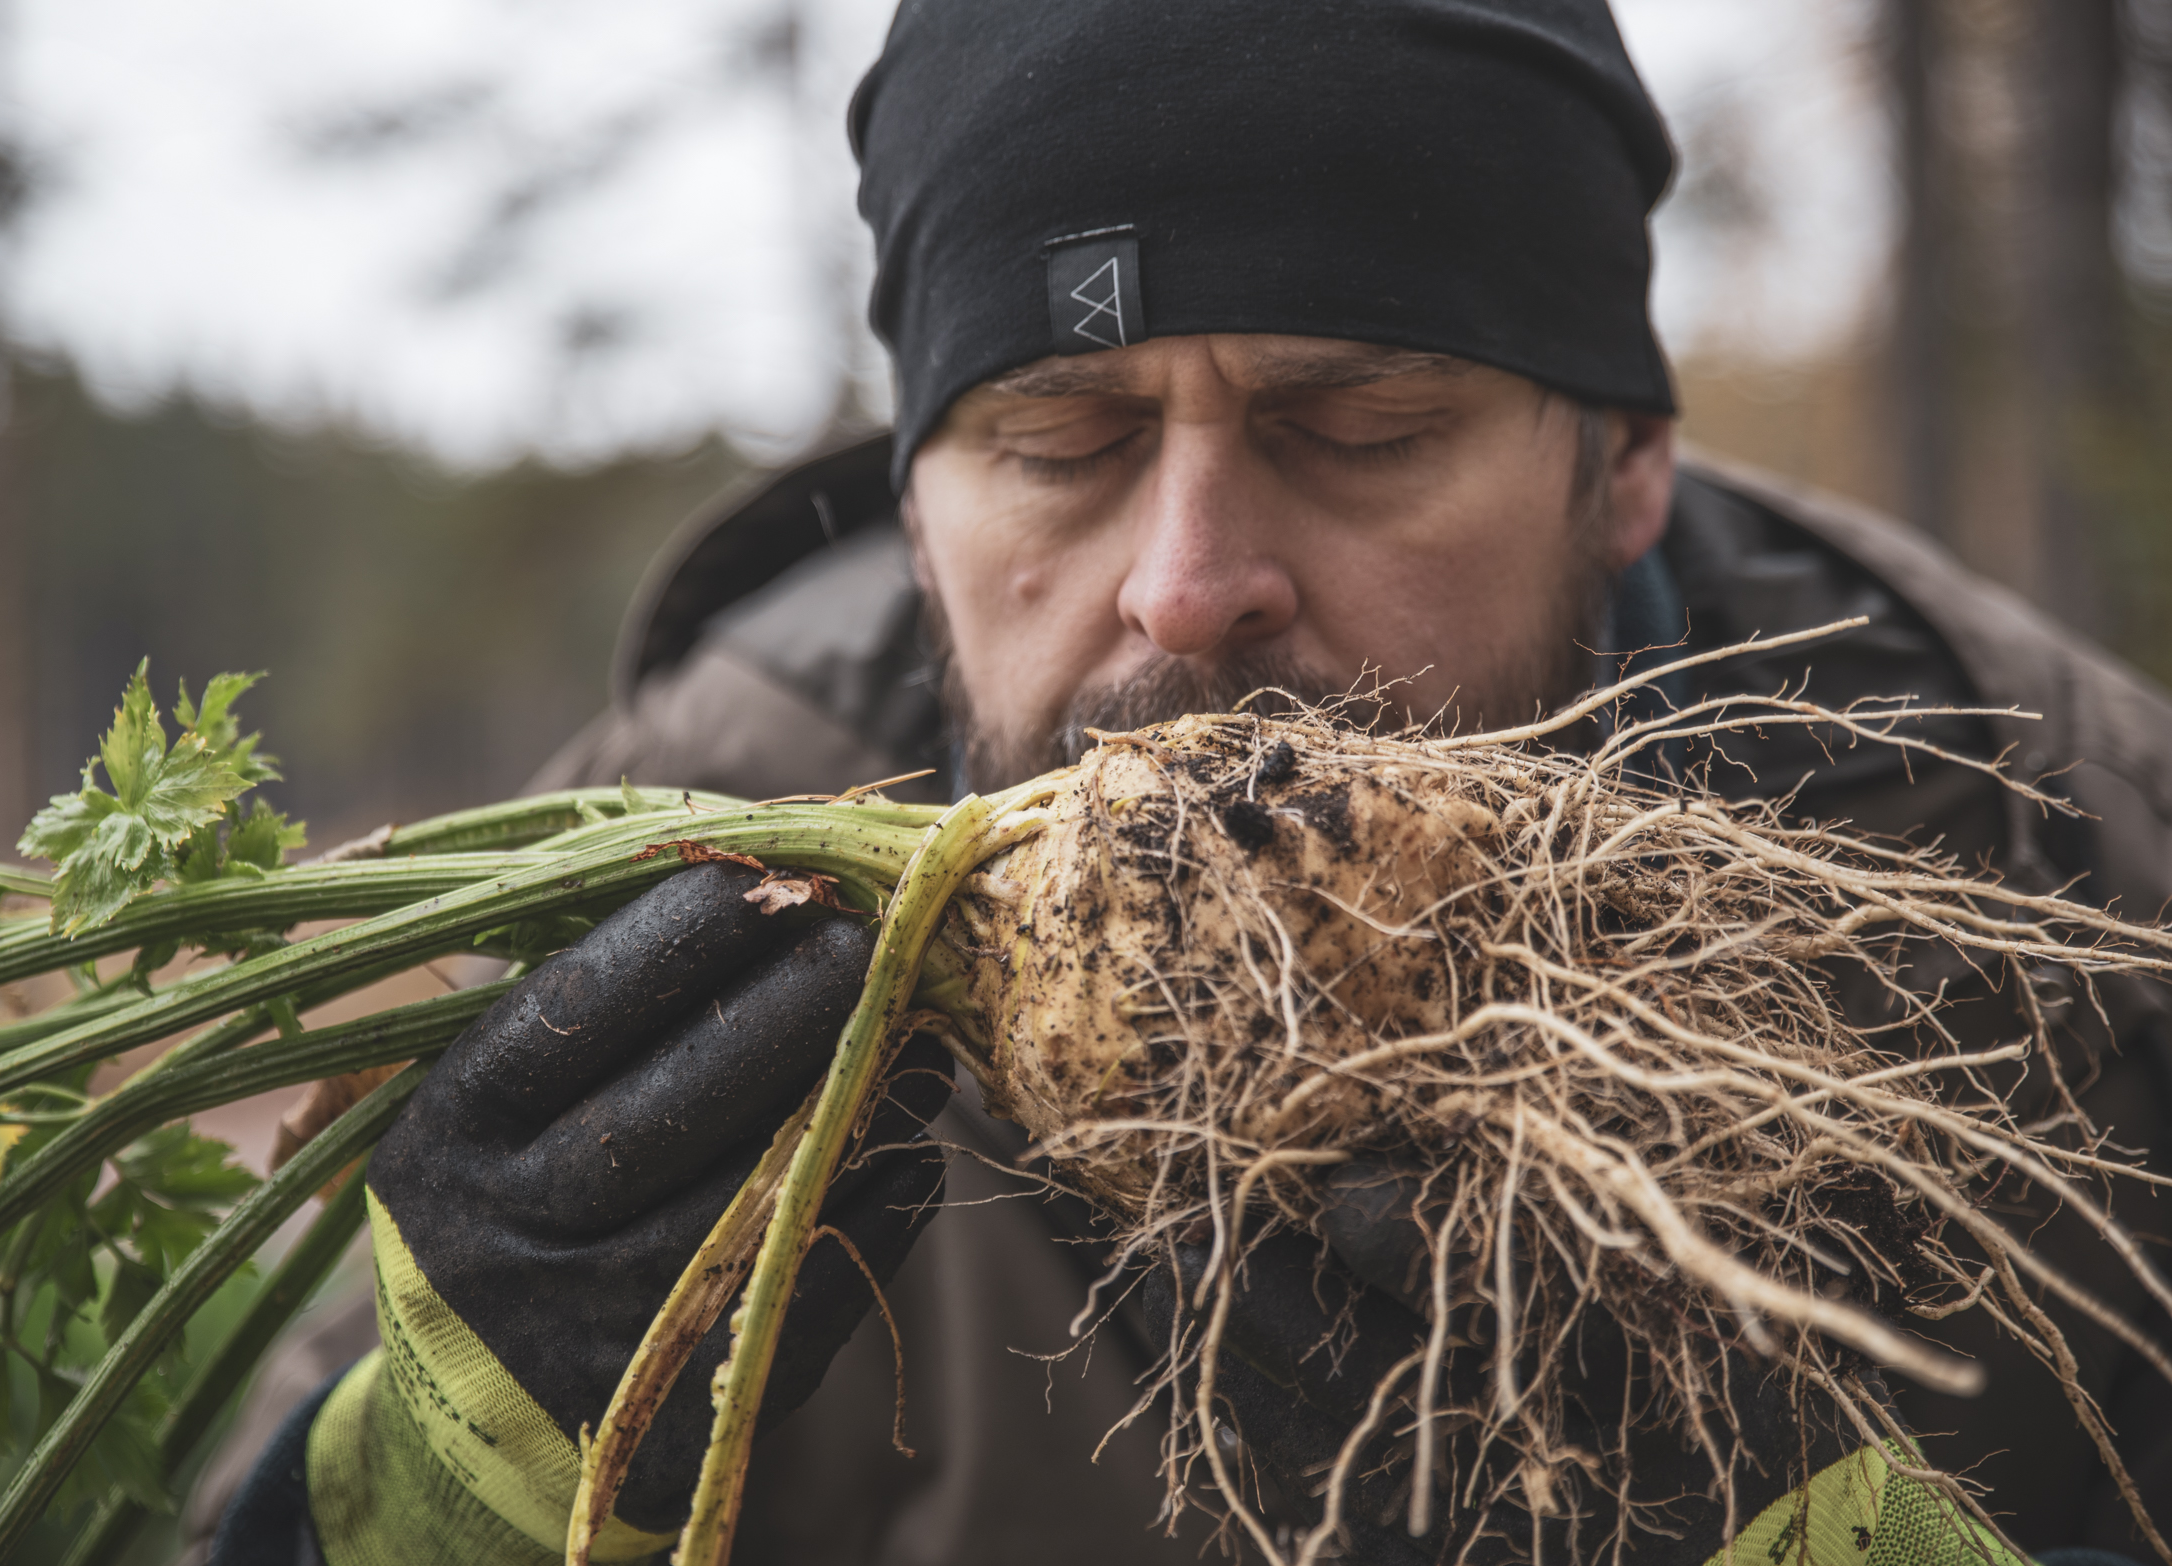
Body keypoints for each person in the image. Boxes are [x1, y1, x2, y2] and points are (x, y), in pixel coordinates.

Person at [209, 2, 2172, 1562]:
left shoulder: (2064, 858)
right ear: (914, 504)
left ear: (1626, 456)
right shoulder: (678, 894)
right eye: (1061, 440)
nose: (1186, 587)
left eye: (1361, 425)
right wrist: (427, 1489)